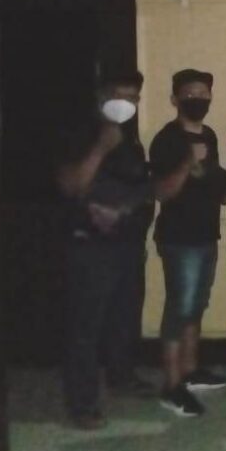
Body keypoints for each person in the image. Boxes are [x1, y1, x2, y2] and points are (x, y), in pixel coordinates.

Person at [56, 71, 155, 430]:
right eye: (118, 95)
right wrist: (100, 147)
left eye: (133, 97)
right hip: (89, 246)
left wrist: (126, 212)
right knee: (85, 327)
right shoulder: (81, 134)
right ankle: (83, 404)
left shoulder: (132, 141)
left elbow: (142, 190)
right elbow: (70, 185)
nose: (125, 103)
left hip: (126, 244)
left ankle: (121, 377)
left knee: (123, 319)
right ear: (101, 97)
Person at [150, 69, 226, 417]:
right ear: (175, 99)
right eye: (190, 93)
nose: (198, 99)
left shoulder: (209, 134)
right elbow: (161, 192)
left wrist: (224, 185)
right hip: (178, 237)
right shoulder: (166, 139)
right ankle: (171, 385)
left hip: (206, 232)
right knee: (178, 307)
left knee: (197, 304)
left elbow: (212, 180)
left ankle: (190, 368)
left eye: (203, 93)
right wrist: (188, 162)